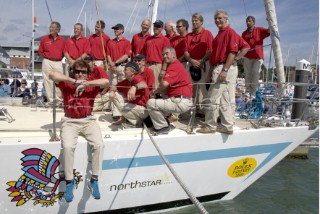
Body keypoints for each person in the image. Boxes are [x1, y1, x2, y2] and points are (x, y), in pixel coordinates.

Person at [49, 59, 109, 203]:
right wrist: (73, 81)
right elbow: (52, 74)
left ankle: (94, 180)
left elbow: (106, 82)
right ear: (73, 72)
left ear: (87, 74)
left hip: (88, 121)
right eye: (77, 71)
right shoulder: (66, 83)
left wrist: (87, 83)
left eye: (83, 72)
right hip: (70, 121)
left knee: (99, 145)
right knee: (68, 147)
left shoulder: (91, 85)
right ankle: (69, 182)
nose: (80, 74)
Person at [197, 9, 246, 135]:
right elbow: (215, 57)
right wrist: (210, 73)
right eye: (216, 18)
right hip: (218, 67)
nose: (217, 20)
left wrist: (225, 69)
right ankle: (227, 126)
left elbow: (232, 52)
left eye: (220, 18)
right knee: (224, 98)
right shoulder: (219, 35)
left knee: (212, 97)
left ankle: (210, 125)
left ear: (226, 18)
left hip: (224, 67)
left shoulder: (230, 32)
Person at [147, 47, 193, 135]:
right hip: (182, 100)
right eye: (163, 54)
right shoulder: (176, 65)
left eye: (166, 54)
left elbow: (164, 84)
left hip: (180, 102)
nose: (164, 56)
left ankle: (163, 127)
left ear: (173, 55)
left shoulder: (174, 66)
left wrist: (155, 91)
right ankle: (167, 121)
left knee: (150, 103)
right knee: (160, 97)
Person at [184, 13, 214, 116]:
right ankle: (194, 110)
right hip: (191, 64)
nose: (194, 22)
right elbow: (186, 51)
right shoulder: (188, 36)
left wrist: (201, 61)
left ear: (201, 22)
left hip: (204, 64)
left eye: (196, 20)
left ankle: (208, 113)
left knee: (205, 89)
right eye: (193, 20)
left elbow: (210, 50)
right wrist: (191, 60)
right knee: (191, 89)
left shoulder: (207, 34)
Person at [108, 61, 150, 126]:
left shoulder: (137, 77)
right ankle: (125, 120)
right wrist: (112, 92)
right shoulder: (126, 81)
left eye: (126, 70)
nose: (123, 71)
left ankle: (138, 122)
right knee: (115, 95)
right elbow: (114, 87)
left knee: (122, 105)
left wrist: (134, 87)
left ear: (133, 72)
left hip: (143, 110)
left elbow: (144, 84)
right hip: (135, 109)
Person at [242, 16, 270, 97]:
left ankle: (254, 91)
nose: (248, 22)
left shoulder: (259, 30)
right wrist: (241, 56)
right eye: (247, 21)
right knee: (247, 74)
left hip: (258, 57)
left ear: (254, 22)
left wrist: (270, 22)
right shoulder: (244, 34)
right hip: (247, 56)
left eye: (250, 21)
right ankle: (247, 91)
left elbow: (269, 31)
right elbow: (242, 45)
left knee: (255, 72)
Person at [38, 21, 65, 104]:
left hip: (58, 62)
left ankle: (59, 100)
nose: (51, 29)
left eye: (53, 27)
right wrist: (46, 58)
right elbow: (40, 51)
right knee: (47, 80)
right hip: (47, 61)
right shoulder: (44, 39)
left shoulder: (62, 40)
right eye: (50, 27)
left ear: (58, 29)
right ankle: (51, 100)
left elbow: (65, 52)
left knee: (59, 80)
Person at [141, 20, 171, 88]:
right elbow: (144, 53)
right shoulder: (148, 39)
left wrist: (163, 69)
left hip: (157, 66)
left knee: (156, 86)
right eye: (155, 26)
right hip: (147, 65)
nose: (156, 28)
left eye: (158, 26)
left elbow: (167, 56)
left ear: (162, 28)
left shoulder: (165, 39)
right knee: (146, 85)